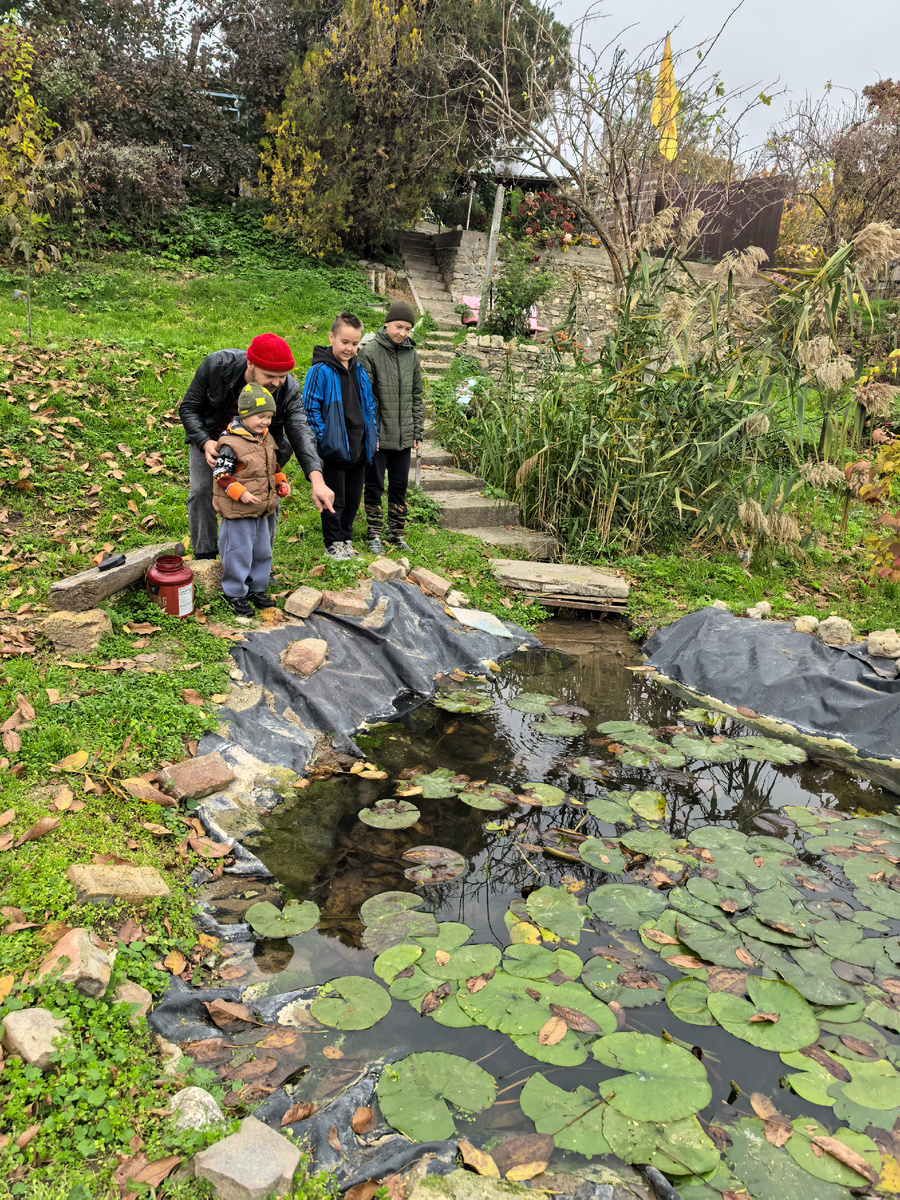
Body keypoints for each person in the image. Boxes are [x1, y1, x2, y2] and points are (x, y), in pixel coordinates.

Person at [180, 332, 334, 559]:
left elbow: (300, 430)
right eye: (270, 375)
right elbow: (189, 407)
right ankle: (206, 557)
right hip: (212, 440)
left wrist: (317, 479)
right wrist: (204, 442)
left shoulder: (288, 387)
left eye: (282, 376)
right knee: (202, 493)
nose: (277, 382)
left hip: (258, 446)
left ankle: (257, 562)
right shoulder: (217, 365)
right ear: (250, 364)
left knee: (266, 496)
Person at [301, 312, 378, 560]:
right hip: (333, 449)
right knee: (335, 499)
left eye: (355, 344)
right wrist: (324, 437)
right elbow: (310, 408)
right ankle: (332, 542)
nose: (349, 348)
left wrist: (372, 435)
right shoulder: (320, 371)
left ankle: (346, 538)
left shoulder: (360, 372)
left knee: (353, 499)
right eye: (345, 342)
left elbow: (369, 406)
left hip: (358, 446)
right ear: (331, 337)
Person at [213, 383, 290, 617]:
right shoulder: (231, 444)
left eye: (268, 416)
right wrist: (241, 493)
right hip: (238, 510)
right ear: (244, 415)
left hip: (261, 508)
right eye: (260, 416)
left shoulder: (265, 439)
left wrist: (280, 482)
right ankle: (234, 592)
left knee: (261, 550)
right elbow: (220, 474)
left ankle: (257, 588)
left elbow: (272, 466)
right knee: (238, 551)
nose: (265, 422)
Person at [357, 300, 423, 554]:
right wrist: (370, 433)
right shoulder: (370, 353)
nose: (402, 333)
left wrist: (416, 430)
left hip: (404, 435)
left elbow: (417, 396)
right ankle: (373, 533)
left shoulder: (412, 355)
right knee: (373, 484)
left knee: (399, 486)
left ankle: (396, 533)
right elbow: (366, 398)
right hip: (378, 437)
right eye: (398, 326)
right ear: (386, 323)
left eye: (407, 328)